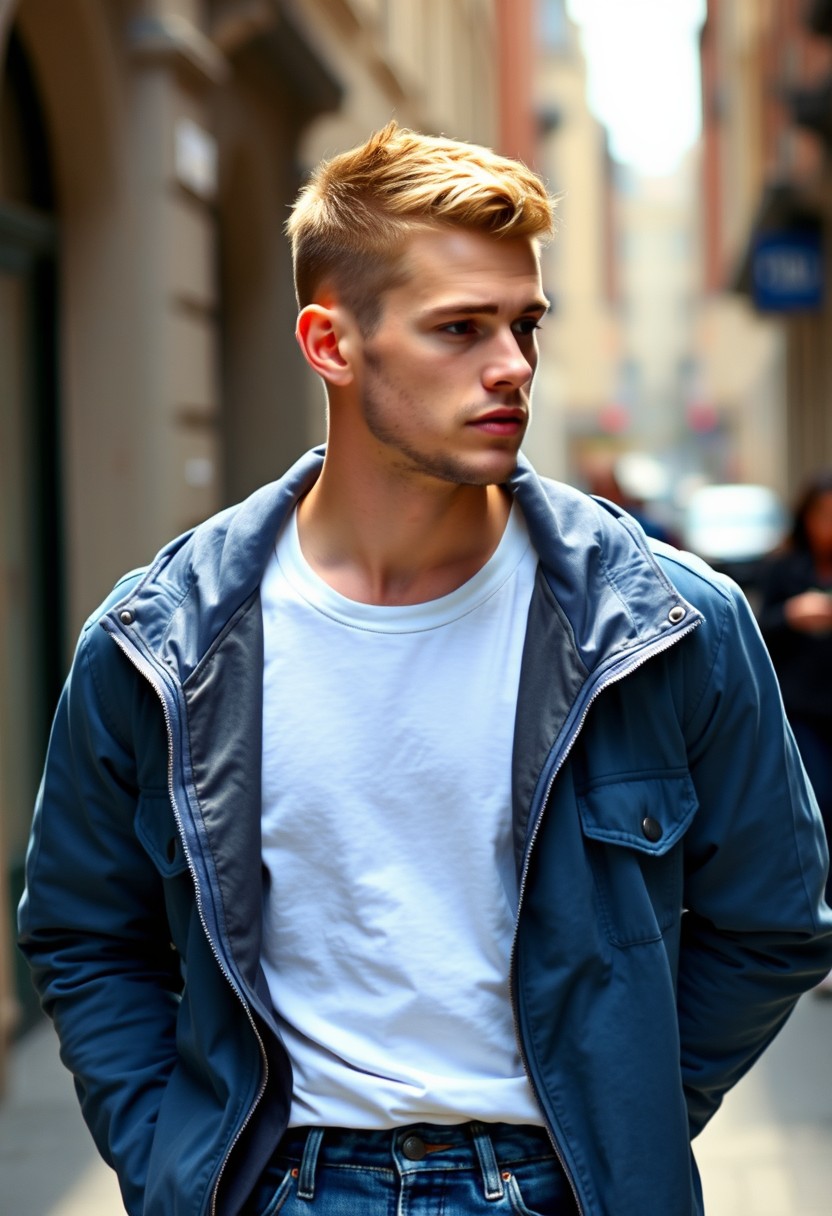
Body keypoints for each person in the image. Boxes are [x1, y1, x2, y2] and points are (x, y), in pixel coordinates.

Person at [17, 122, 832, 1216]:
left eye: (524, 325)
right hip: (278, 1185)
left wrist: (621, 1105)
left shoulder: (669, 623)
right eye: (459, 328)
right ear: (331, 344)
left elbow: (773, 916)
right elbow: (84, 927)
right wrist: (172, 1160)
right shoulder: (162, 640)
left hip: (563, 1187)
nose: (510, 366)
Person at [757, 473, 832, 921]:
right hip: (803, 711)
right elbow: (760, 632)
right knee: (816, 809)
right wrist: (792, 614)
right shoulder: (786, 569)